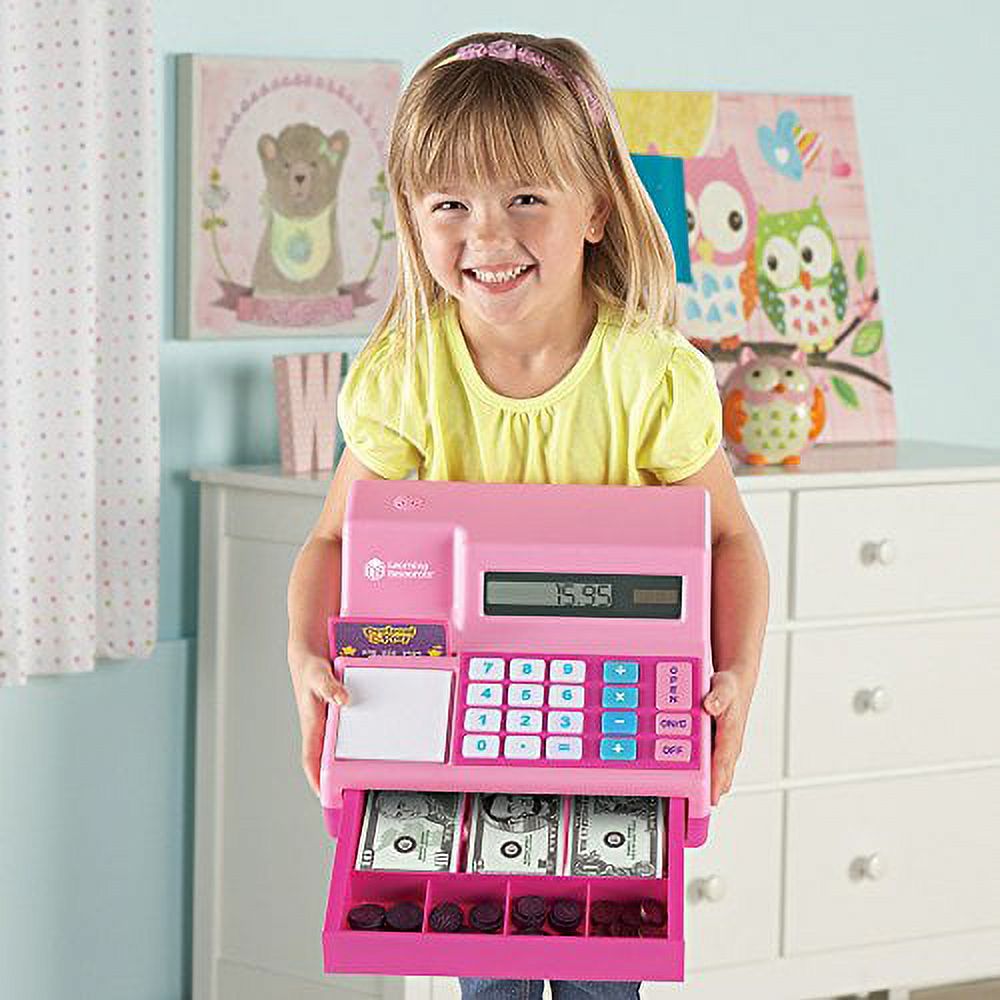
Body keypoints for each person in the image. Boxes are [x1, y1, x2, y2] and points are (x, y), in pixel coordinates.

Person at [286, 30, 769, 1000]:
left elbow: (726, 537)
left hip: (614, 735)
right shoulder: (405, 378)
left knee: (604, 972)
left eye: (525, 199)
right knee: (487, 975)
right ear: (410, 217)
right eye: (450, 204)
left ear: (593, 206)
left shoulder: (648, 375)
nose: (488, 237)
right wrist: (303, 651)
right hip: (463, 739)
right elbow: (334, 537)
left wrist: (736, 680)